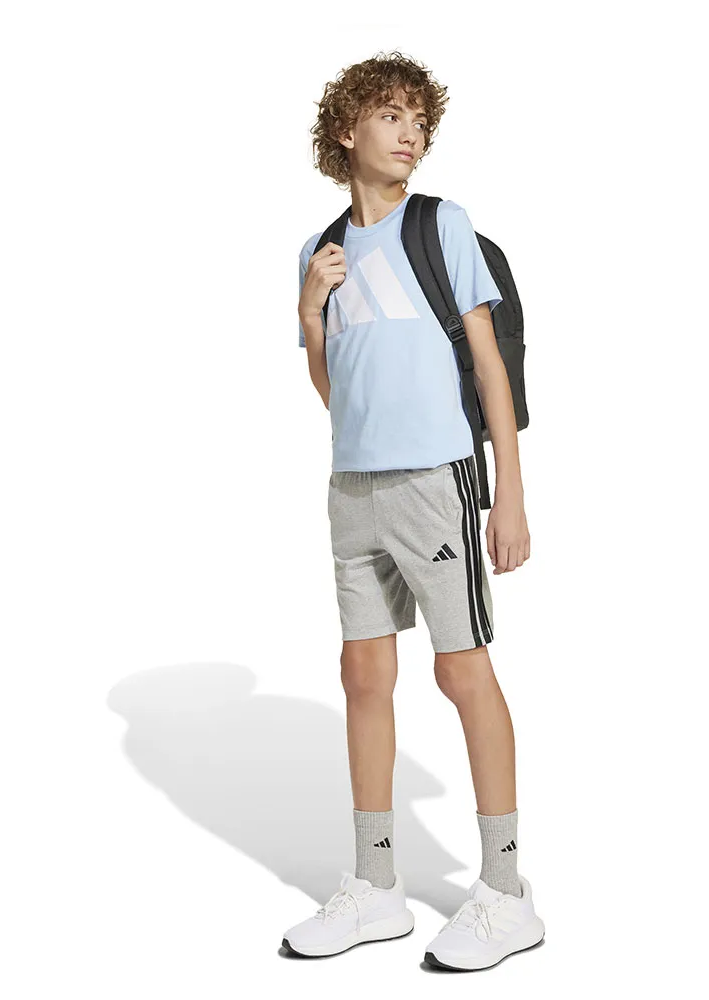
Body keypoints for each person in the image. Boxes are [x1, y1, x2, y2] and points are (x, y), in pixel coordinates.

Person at [281, 52, 545, 973]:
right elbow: (336, 392)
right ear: (346, 129)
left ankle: (505, 893)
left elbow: (488, 362)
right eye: (390, 116)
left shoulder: (441, 225)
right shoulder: (322, 252)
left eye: (418, 120)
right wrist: (310, 312)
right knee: (362, 674)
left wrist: (510, 492)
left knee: (461, 671)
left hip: (435, 481)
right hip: (351, 487)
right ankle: (376, 886)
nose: (410, 133)